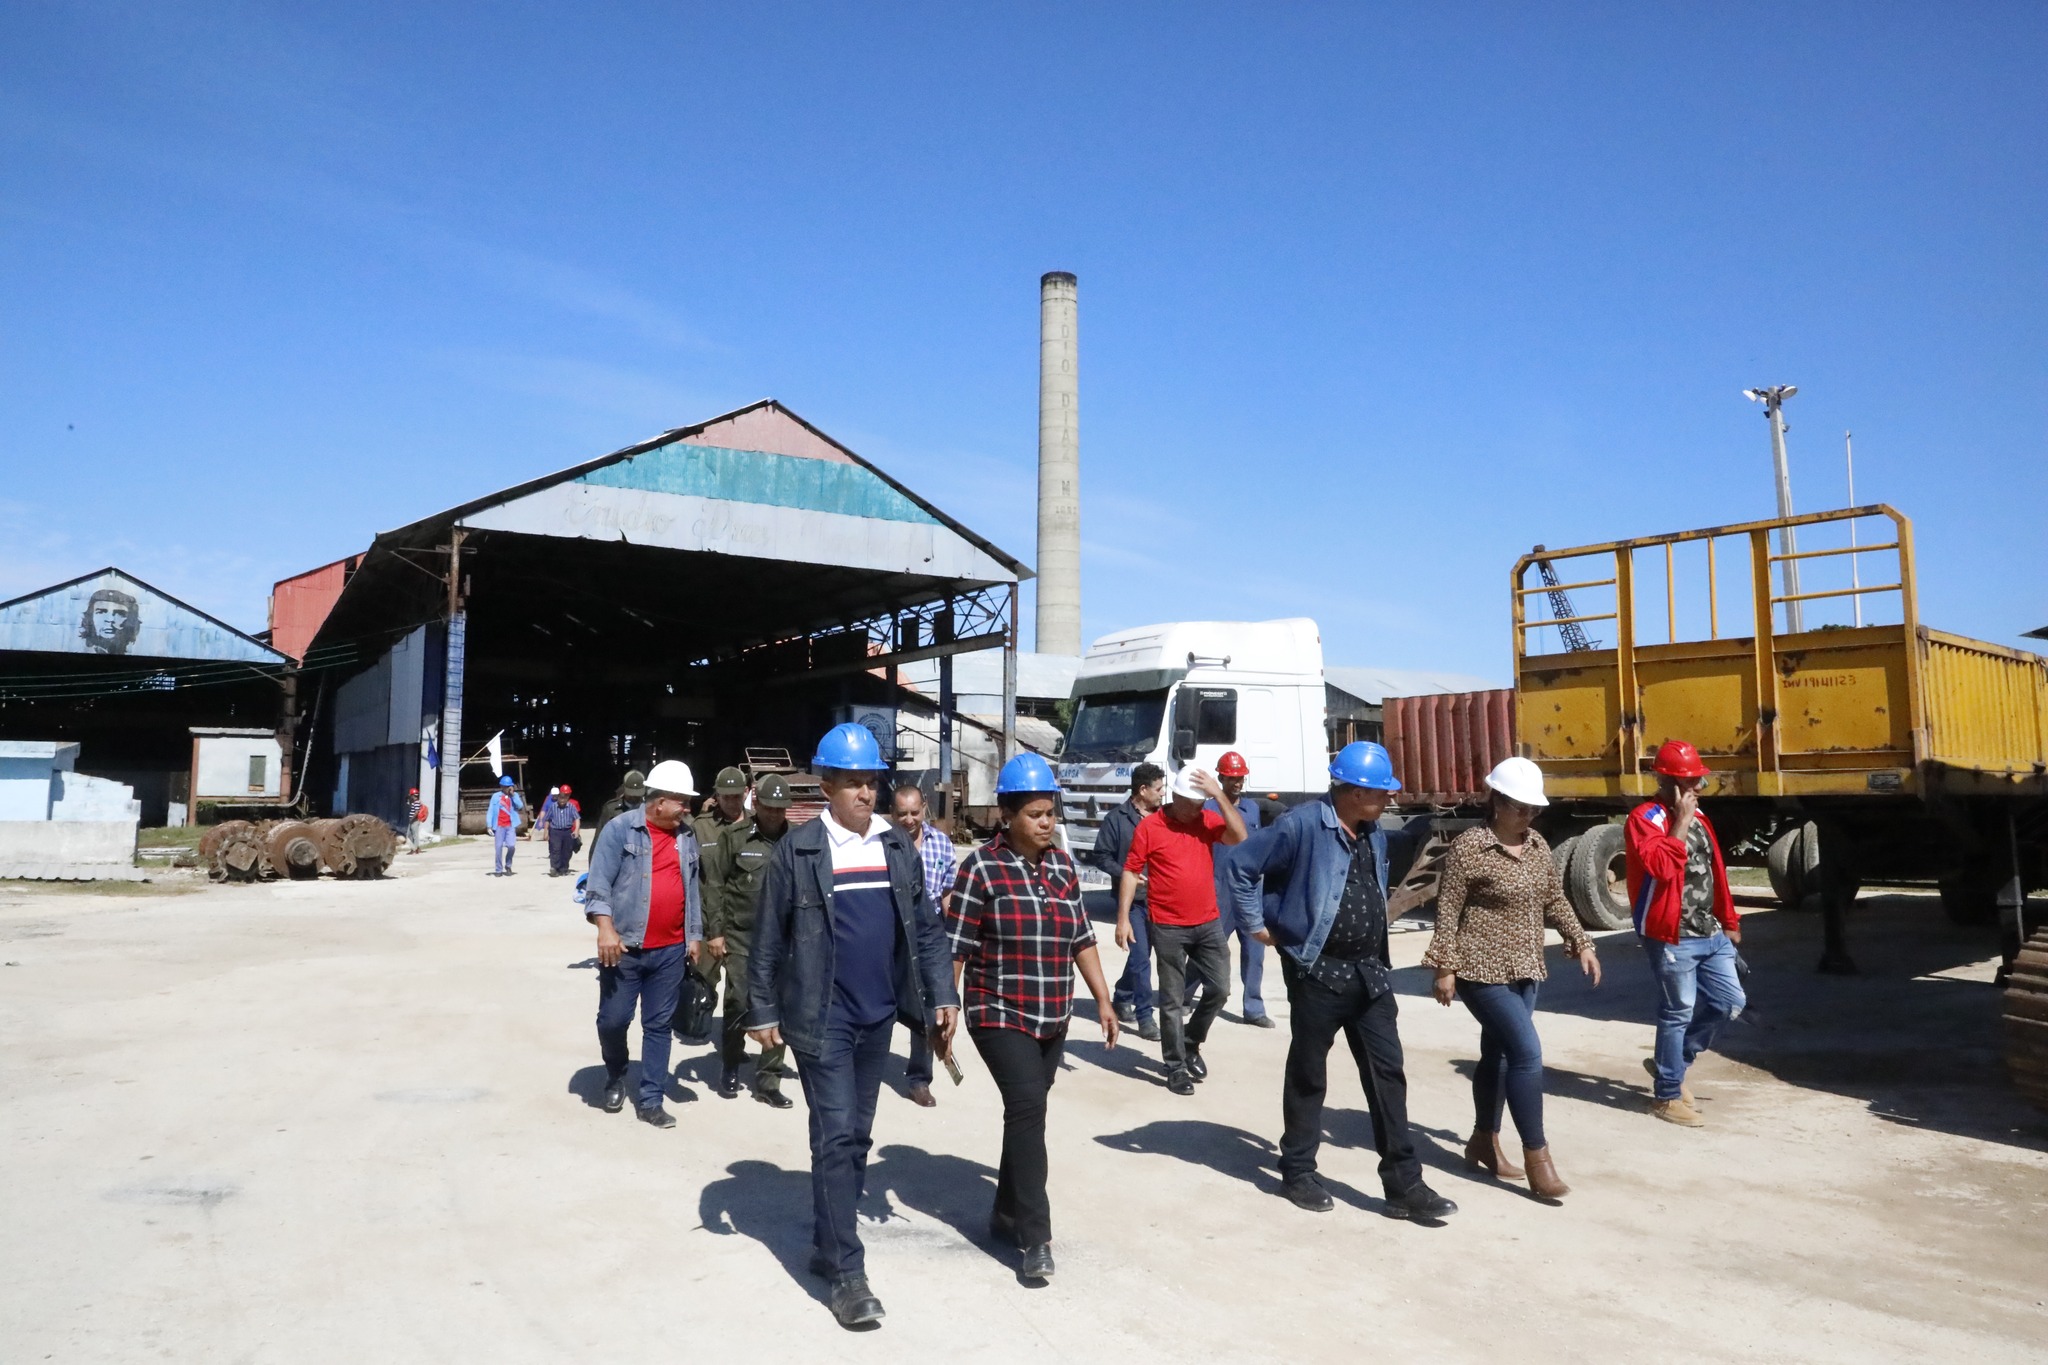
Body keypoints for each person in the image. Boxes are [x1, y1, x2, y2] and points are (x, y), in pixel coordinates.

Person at [746, 723, 958, 1328]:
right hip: (821, 1017)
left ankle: (824, 1240)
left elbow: (925, 930)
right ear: (827, 784)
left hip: (879, 1016)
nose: (867, 794)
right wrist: (761, 1010)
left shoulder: (896, 846)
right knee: (837, 1135)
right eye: (855, 783)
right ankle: (846, 1270)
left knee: (856, 1138)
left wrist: (942, 994)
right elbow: (767, 939)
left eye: (873, 783)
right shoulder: (801, 849)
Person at [1226, 741, 1458, 1221]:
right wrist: (1255, 925)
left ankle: (1404, 1185)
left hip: (1369, 972)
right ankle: (1297, 1171)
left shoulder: (1371, 832)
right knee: (1310, 1074)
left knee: (1388, 1074)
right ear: (1352, 791)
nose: (1388, 801)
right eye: (1380, 793)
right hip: (1317, 970)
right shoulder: (1301, 824)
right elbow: (1240, 866)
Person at [946, 753, 1120, 1281]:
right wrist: (945, 1009)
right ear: (1007, 815)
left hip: (1053, 1014)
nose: (1047, 823)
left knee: (1027, 1113)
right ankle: (1035, 1236)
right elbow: (955, 947)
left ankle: (1002, 1211)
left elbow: (1082, 938)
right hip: (997, 1009)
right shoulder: (980, 868)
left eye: (1051, 813)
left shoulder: (1064, 868)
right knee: (1027, 1108)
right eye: (1036, 814)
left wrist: (1104, 1001)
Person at [1423, 757, 1601, 1200]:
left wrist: (1581, 942)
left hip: (1525, 967)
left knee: (1497, 1055)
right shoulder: (1470, 847)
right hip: (1479, 969)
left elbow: (1554, 898)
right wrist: (1445, 968)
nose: (1528, 816)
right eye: (1521, 807)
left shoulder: (1538, 845)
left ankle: (1484, 1139)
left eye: (1534, 809)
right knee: (1527, 1054)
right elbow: (1447, 911)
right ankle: (1537, 1159)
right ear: (1497, 802)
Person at [1625, 739, 1744, 1128]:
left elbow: (1715, 873)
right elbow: (1661, 865)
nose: (1698, 789)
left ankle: (1673, 1063)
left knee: (1729, 1002)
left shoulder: (1702, 819)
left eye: (1699, 782)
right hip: (1671, 935)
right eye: (1690, 782)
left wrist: (1729, 920)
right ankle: (1667, 1095)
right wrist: (1680, 821)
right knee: (1677, 1012)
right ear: (1668, 783)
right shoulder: (1646, 819)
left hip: (1709, 933)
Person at [584, 759, 704, 1128]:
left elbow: (692, 889)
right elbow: (598, 885)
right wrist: (605, 929)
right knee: (613, 1020)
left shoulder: (686, 836)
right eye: (681, 801)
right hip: (625, 949)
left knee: (659, 1026)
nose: (687, 809)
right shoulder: (620, 830)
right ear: (658, 801)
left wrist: (694, 934)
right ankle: (616, 1073)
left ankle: (651, 1099)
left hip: (670, 951)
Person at [1116, 765, 1247, 1094]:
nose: (1198, 809)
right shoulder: (1150, 827)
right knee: (1172, 1001)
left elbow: (1240, 836)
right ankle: (1175, 1066)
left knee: (1220, 990)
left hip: (1207, 922)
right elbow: (1131, 872)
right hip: (1168, 925)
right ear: (1175, 797)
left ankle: (1190, 1042)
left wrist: (1218, 794)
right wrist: (1122, 919)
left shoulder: (1207, 820)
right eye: (1192, 803)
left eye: (1202, 803)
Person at [702, 774, 796, 1107]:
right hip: (742, 937)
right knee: (738, 1002)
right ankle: (731, 1061)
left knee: (780, 1007)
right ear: (756, 804)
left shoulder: (796, 842)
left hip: (783, 941)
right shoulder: (735, 837)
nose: (775, 815)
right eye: (769, 808)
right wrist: (716, 932)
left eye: (781, 809)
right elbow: (715, 884)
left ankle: (769, 1080)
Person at [890, 782, 954, 1107]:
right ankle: (864, 1071)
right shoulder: (882, 845)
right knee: (882, 1006)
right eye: (902, 813)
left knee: (926, 1011)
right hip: (892, 936)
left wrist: (951, 941)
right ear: (892, 812)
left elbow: (946, 895)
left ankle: (919, 1079)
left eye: (915, 812)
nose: (909, 819)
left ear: (924, 807)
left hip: (928, 937)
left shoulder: (941, 844)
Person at [1093, 763, 1166, 1042]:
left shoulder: (1165, 817)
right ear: (1143, 790)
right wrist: (1128, 874)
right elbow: (1102, 856)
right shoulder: (1117, 819)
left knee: (1142, 956)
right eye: (1158, 789)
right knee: (1140, 958)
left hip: (1161, 899)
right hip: (1132, 902)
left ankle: (1122, 995)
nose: (1162, 794)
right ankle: (1145, 1016)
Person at [684, 767, 753, 1046]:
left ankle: (733, 1044)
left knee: (740, 990)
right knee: (703, 979)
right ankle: (698, 1025)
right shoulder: (700, 827)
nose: (731, 802)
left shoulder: (756, 826)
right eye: (725, 797)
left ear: (746, 793)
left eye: (737, 796)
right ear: (717, 795)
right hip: (705, 918)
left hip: (742, 923)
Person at [1207, 751, 1273, 1027]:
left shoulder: (1253, 809)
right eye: (1232, 777)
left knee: (1255, 950)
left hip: (1250, 890)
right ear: (1220, 777)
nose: (1237, 782)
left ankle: (1254, 1009)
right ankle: (1185, 995)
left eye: (1240, 777)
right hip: (1218, 888)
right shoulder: (1208, 809)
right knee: (1209, 948)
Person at [593, 770, 647, 841]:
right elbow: (599, 837)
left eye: (637, 794)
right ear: (623, 788)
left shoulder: (649, 809)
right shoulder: (611, 809)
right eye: (630, 794)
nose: (633, 796)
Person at [486, 776, 524, 876]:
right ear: (501, 786)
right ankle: (498, 869)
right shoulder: (495, 796)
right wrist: (489, 825)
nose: (508, 788)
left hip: (510, 825)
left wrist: (514, 795)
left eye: (509, 786)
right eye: (506, 786)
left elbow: (520, 806)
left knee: (511, 846)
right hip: (499, 826)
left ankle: (508, 864)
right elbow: (490, 811)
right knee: (498, 848)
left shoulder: (513, 796)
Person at [545, 784, 582, 877]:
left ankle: (564, 869)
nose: (562, 800)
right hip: (555, 832)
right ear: (558, 797)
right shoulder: (553, 807)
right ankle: (554, 868)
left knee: (567, 851)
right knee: (555, 850)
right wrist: (546, 832)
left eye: (564, 798)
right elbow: (547, 819)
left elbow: (577, 819)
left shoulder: (571, 807)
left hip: (567, 831)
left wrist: (576, 830)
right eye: (560, 798)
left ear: (567, 798)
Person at [404, 788, 428, 854]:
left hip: (415, 820)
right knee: (409, 835)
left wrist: (412, 819)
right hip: (412, 820)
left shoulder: (417, 802)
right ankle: (413, 849)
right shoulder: (413, 802)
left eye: (411, 795)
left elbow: (417, 812)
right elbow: (406, 802)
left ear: (412, 795)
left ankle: (415, 849)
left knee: (415, 835)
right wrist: (408, 796)